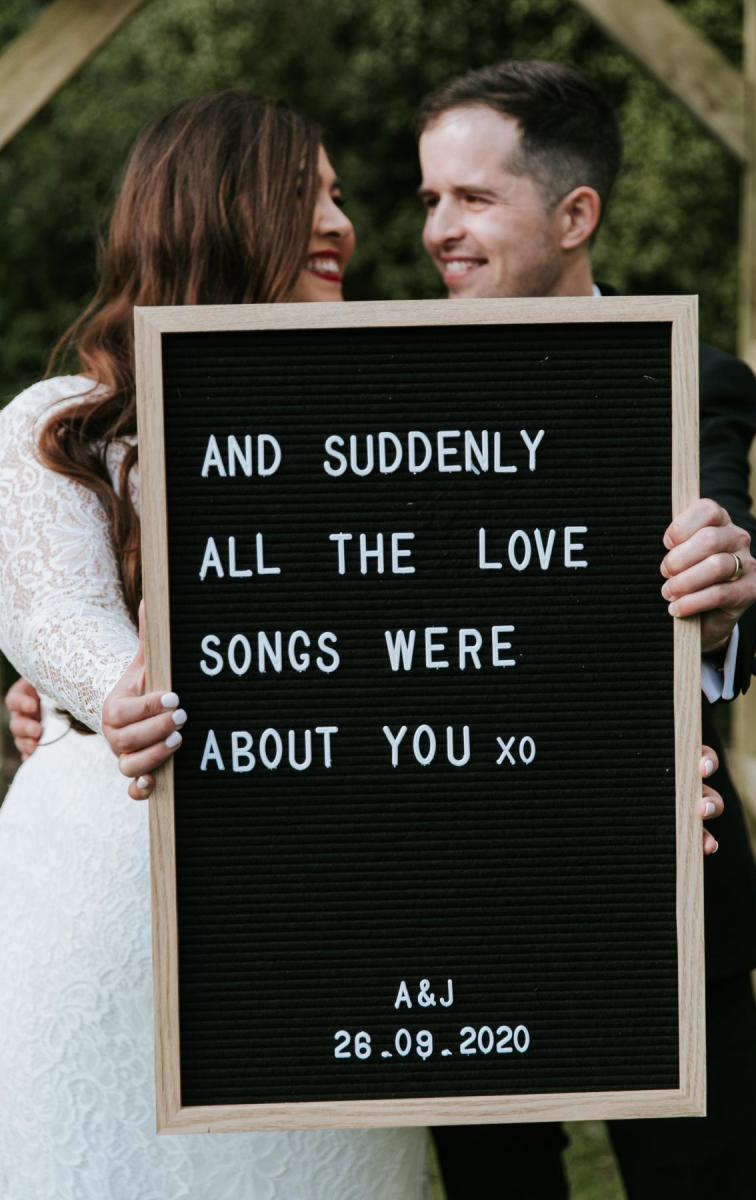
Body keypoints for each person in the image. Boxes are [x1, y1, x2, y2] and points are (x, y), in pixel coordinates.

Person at [0, 91, 427, 1199]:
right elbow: (57, 615)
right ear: (218, 210)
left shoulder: (387, 417)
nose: (342, 225)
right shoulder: (63, 421)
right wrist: (120, 690)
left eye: (338, 197)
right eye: (308, 195)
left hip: (330, 908)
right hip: (121, 885)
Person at [413, 62, 756, 1200]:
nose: (437, 230)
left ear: (575, 216)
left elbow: (733, 533)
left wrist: (727, 575)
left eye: (471, 199)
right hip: (450, 896)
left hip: (656, 877)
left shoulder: (688, 377)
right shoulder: (383, 386)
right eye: (428, 198)